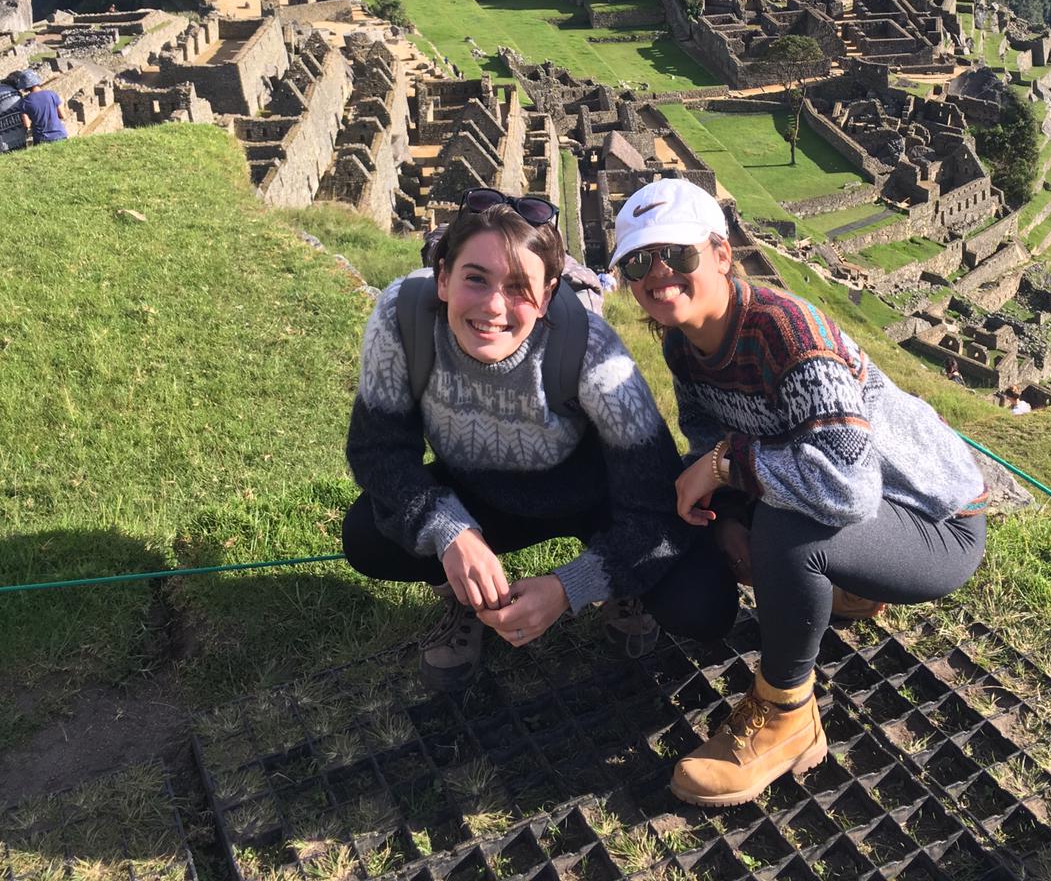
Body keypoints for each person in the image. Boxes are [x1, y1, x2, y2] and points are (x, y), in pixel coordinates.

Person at [612, 178, 988, 807]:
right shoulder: (684, 345)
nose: (658, 273)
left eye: (677, 255)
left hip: (935, 522)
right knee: (735, 504)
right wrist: (730, 512)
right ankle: (849, 588)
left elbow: (845, 488)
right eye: (639, 261)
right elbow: (711, 435)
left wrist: (730, 470)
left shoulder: (785, 332)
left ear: (722, 253)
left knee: (789, 524)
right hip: (865, 510)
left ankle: (786, 713)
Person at [343, 187, 736, 691]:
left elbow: (658, 502)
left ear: (548, 294)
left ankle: (619, 580)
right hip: (479, 496)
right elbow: (377, 451)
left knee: (702, 604)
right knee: (367, 537)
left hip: (597, 499)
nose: (493, 306)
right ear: (443, 277)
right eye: (475, 279)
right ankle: (467, 593)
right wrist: (448, 530)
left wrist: (570, 587)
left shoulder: (593, 355)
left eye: (518, 287)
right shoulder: (402, 320)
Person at [16, 70, 68, 145]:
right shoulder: (52, 94)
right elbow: (63, 115)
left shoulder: (24, 102)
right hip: (60, 135)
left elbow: (27, 125)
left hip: (41, 139)